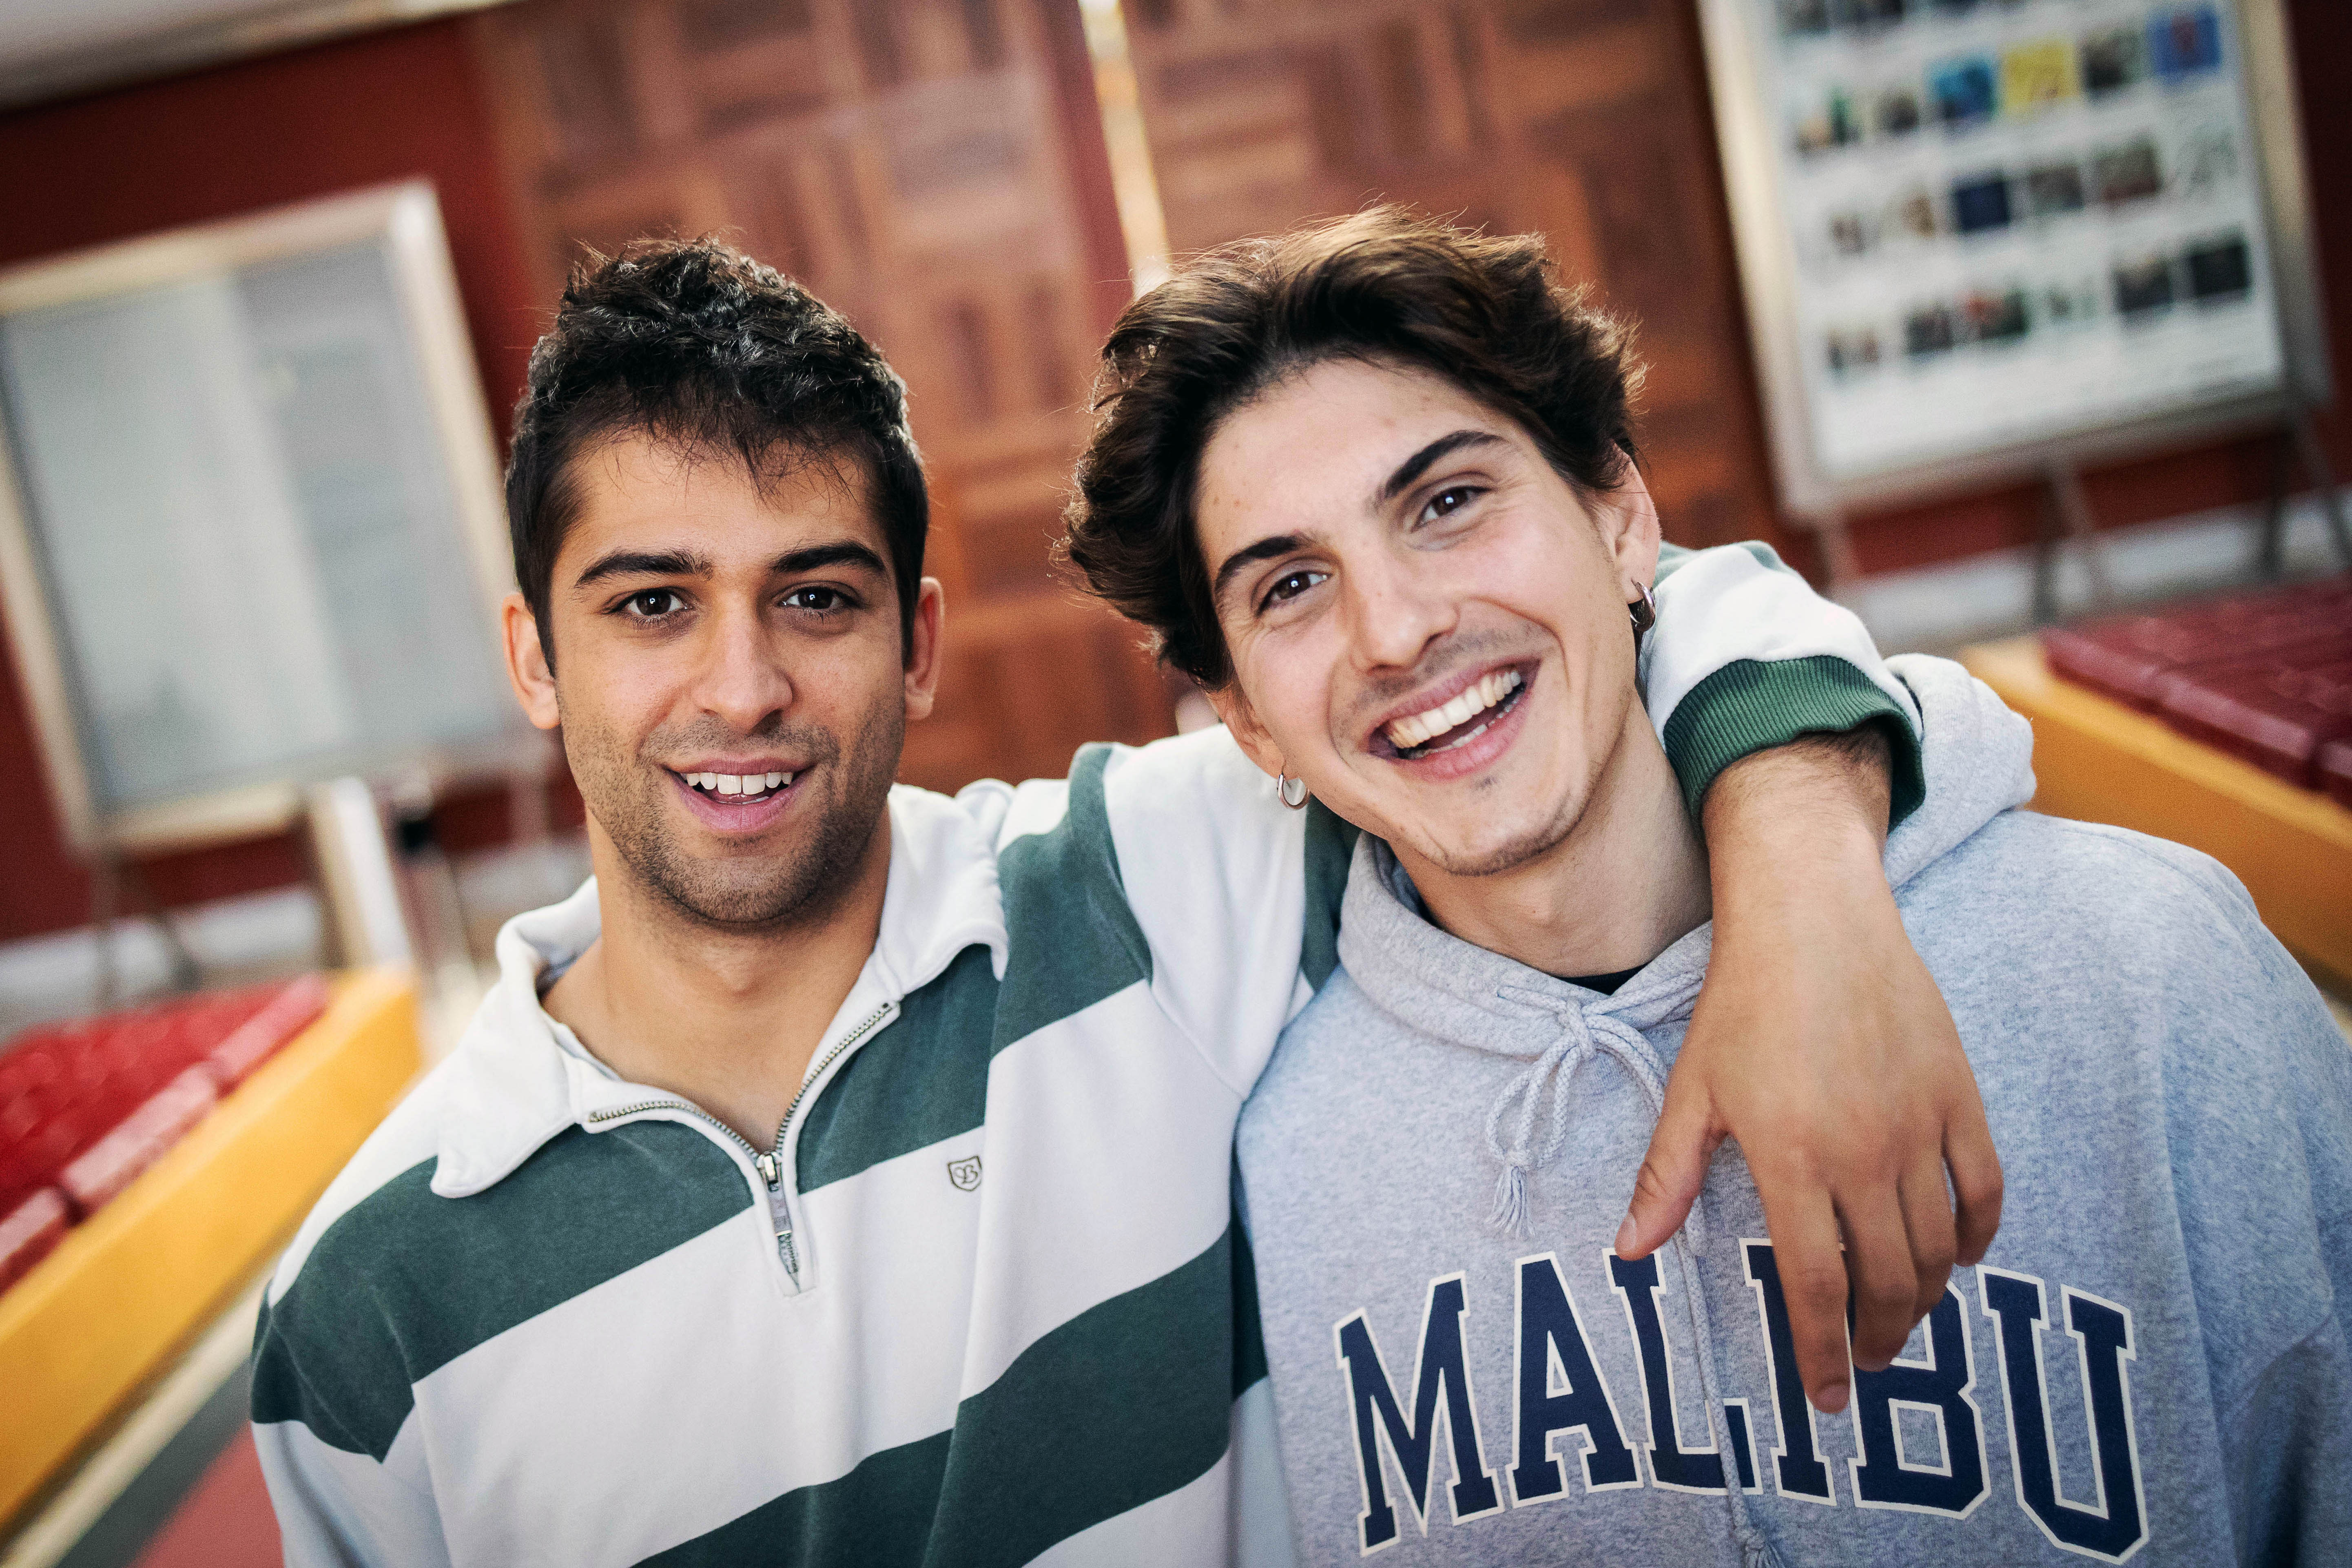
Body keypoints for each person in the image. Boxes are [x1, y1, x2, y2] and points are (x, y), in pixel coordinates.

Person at [251, 239, 2015, 1566]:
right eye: (649, 605)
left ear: (917, 640)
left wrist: (1797, 888)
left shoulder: (1141, 890)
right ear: (531, 659)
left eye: (816, 597)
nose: (740, 688)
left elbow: (1611, 628)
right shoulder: (369, 1308)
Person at [1060, 208, 2352, 1565]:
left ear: (1623, 521)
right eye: (1292, 587)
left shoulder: (2147, 976)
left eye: (1449, 502)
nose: (1398, 630)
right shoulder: (1273, 1168)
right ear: (1250, 724)